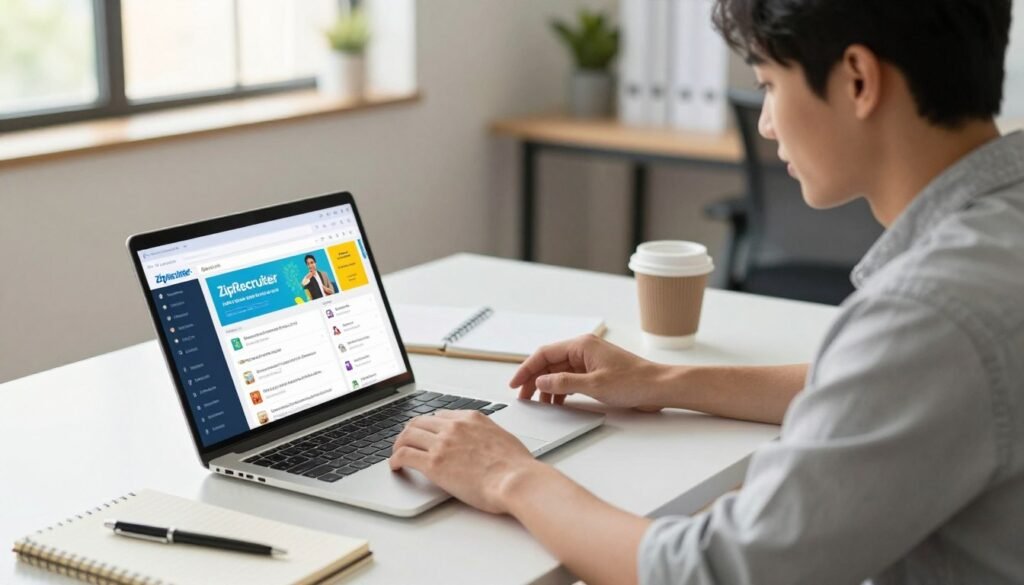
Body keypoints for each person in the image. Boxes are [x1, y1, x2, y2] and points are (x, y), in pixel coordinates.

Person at [388, 1, 1024, 583]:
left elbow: (715, 572)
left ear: (858, 79)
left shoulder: (930, 311)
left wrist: (508, 475)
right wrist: (664, 383)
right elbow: (895, 386)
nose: (767, 125)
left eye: (770, 85)